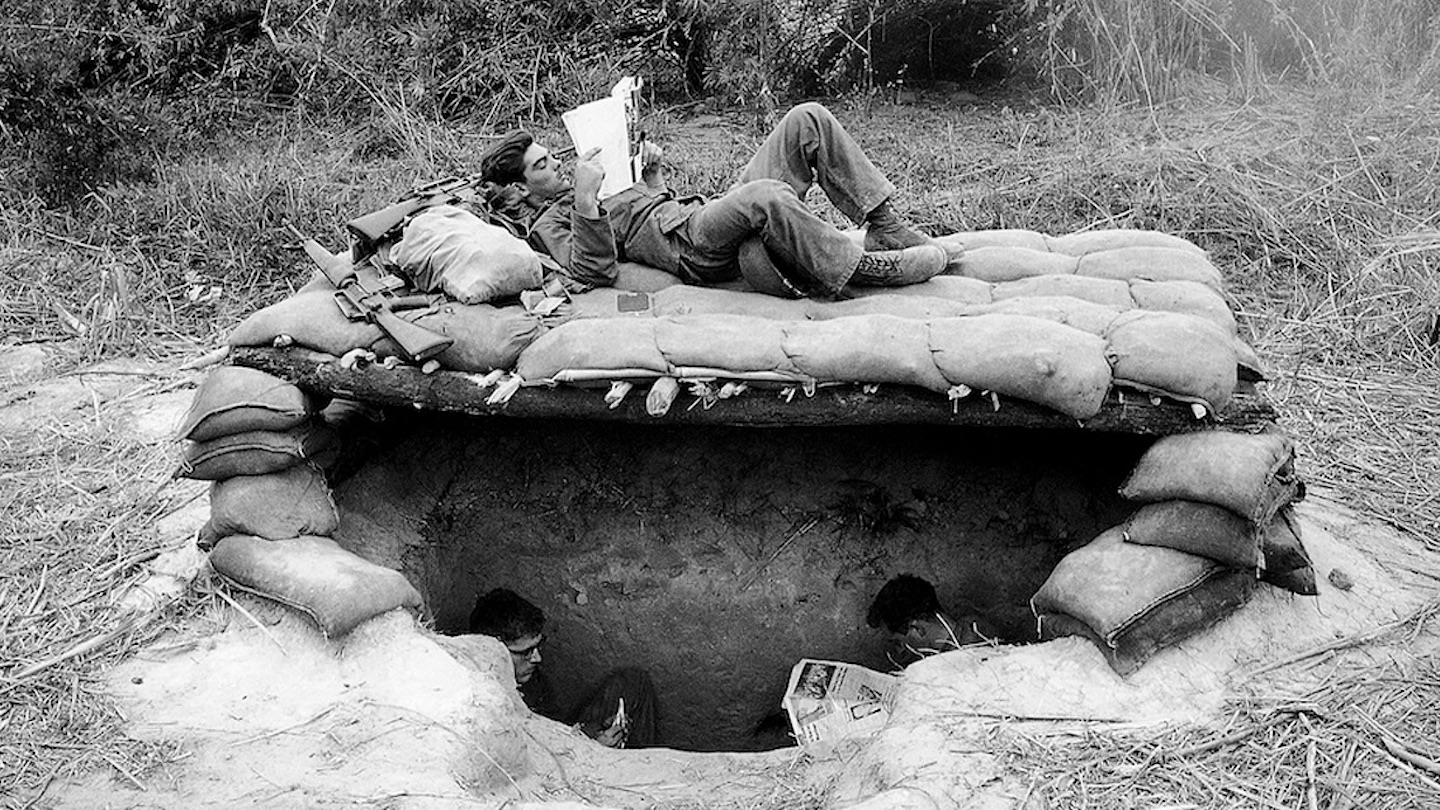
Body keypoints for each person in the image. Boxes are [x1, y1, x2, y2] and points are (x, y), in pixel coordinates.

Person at [474, 102, 961, 299]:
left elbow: (649, 210)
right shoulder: (550, 223)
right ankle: (860, 271)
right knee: (768, 195)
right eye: (541, 167)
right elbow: (593, 271)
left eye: (548, 157)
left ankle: (884, 224)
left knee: (805, 120)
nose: (555, 164)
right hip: (693, 248)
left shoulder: (583, 179)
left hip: (698, 216)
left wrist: (652, 174)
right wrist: (585, 198)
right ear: (518, 189)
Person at [469, 588, 659, 748]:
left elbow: (553, 726)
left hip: (559, 741)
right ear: (493, 650)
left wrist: (590, 732)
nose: (537, 658)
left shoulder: (531, 680)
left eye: (538, 646)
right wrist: (591, 750)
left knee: (633, 682)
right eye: (525, 652)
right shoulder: (480, 702)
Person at [866, 574, 986, 668]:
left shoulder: (957, 663)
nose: (899, 651)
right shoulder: (976, 625)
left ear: (918, 630)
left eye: (898, 642)